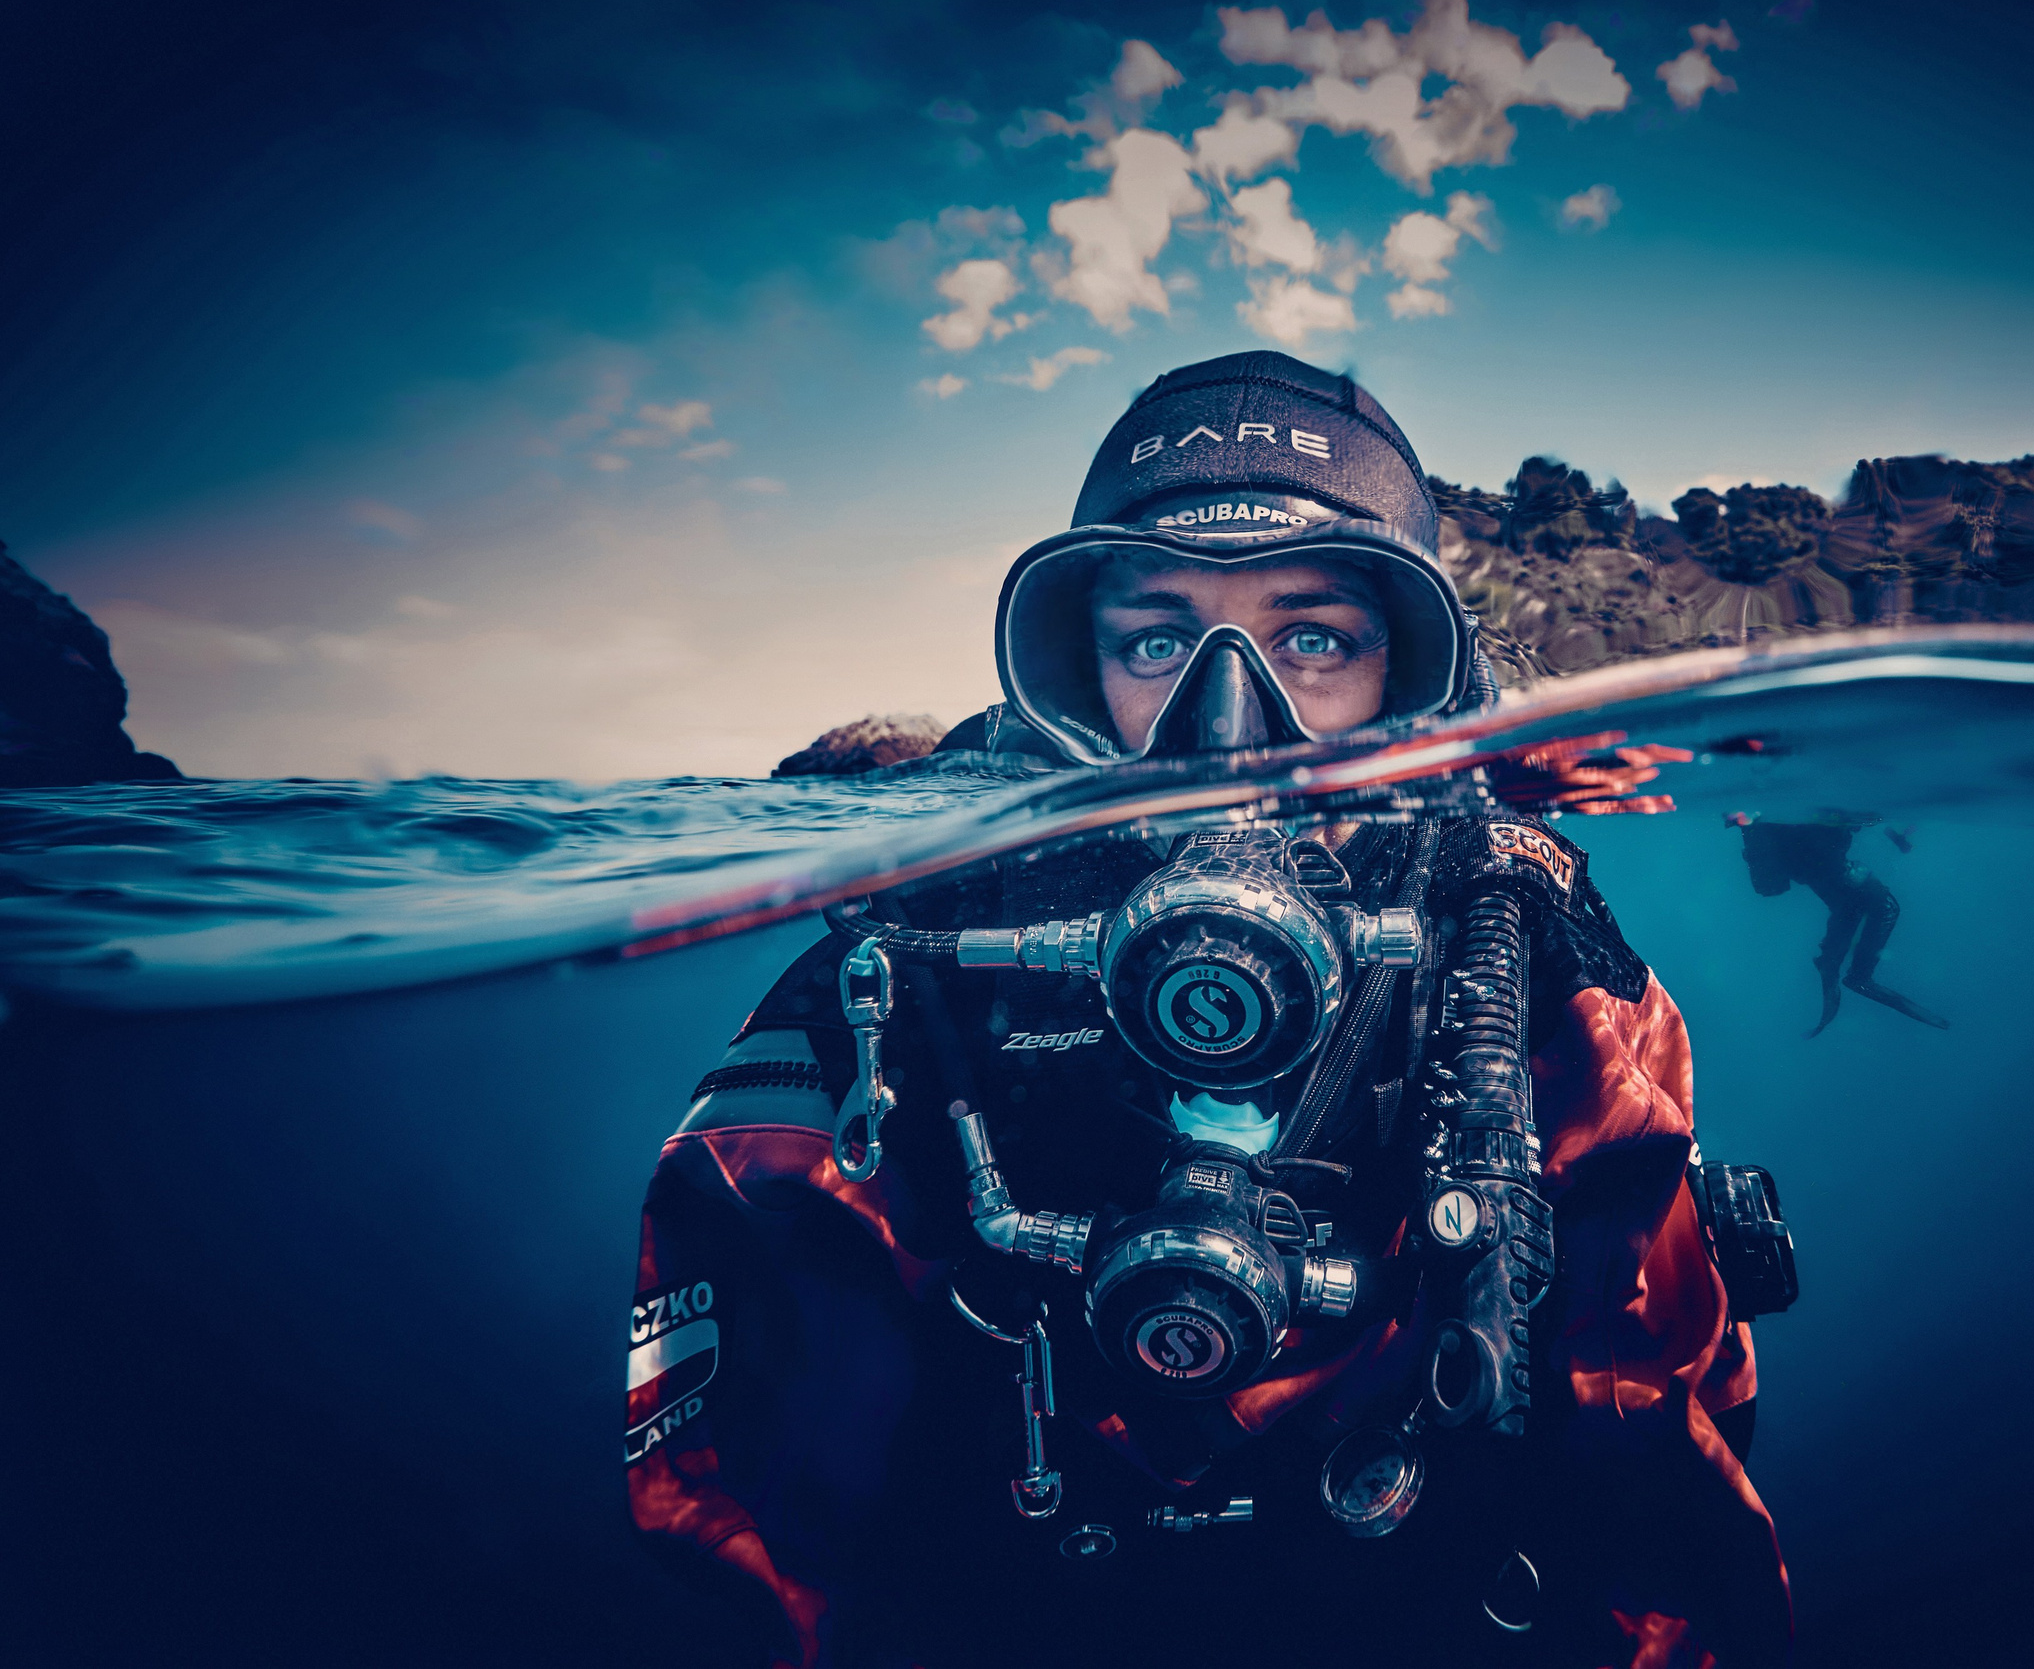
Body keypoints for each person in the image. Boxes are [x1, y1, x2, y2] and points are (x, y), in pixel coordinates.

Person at [622, 353, 1791, 1669]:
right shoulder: (907, 966)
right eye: (1157, 640)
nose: (1228, 721)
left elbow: (1671, 1514)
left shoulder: (1534, 961)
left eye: (1316, 639)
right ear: (1078, 678)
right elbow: (738, 1507)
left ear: (1413, 682)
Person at [1728, 809, 1949, 1034]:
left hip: (1808, 854)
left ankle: (1834, 965)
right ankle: (1854, 974)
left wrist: (1896, 834)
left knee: (1851, 906)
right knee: (1882, 906)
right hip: (1816, 852)